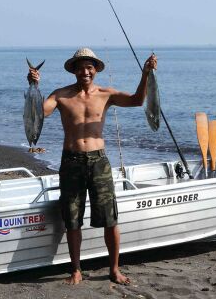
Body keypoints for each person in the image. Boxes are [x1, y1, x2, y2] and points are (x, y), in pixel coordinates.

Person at [27, 47, 157, 285]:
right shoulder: (61, 95)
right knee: (72, 219)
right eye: (80, 67)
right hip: (71, 162)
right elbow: (39, 114)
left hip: (99, 161)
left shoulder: (106, 94)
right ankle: (76, 270)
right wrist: (33, 85)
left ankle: (114, 269)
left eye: (89, 67)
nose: (85, 71)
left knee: (110, 218)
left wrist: (146, 73)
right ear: (74, 71)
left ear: (95, 70)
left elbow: (138, 101)